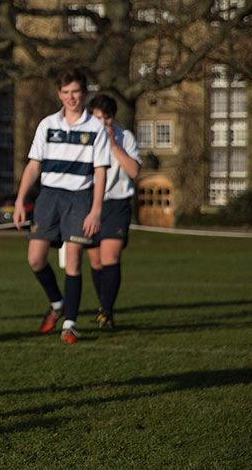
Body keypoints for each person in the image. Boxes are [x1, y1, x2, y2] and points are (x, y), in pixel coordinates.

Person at [13, 68, 109, 344]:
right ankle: (57, 303)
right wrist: (21, 200)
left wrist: (96, 210)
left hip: (80, 198)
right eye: (65, 92)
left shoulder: (95, 128)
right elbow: (34, 165)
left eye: (76, 91)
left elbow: (100, 171)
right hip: (49, 197)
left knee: (74, 260)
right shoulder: (47, 125)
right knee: (35, 258)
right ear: (59, 94)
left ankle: (70, 323)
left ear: (85, 93)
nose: (71, 97)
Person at [85, 94, 140, 329]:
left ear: (112, 119)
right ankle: (102, 306)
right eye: (97, 118)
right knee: (96, 261)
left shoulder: (124, 137)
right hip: (88, 203)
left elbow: (134, 171)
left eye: (106, 119)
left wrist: (113, 145)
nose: (102, 124)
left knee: (110, 258)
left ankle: (106, 312)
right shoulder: (84, 137)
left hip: (116, 203)